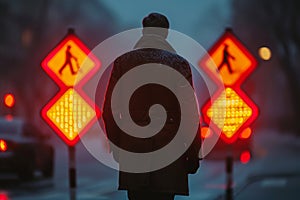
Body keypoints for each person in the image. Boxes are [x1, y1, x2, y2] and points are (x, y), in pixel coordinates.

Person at [102, 13, 201, 200]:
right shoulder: (178, 64)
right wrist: (193, 153)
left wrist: (117, 146)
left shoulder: (123, 63)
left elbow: (110, 111)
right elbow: (189, 115)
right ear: (166, 33)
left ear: (143, 31)